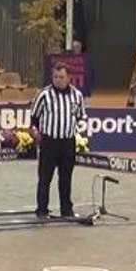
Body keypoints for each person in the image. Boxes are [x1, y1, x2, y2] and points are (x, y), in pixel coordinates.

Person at [31, 65, 86, 219]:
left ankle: (66, 209)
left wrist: (80, 132)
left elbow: (81, 116)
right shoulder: (44, 95)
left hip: (68, 142)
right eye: (55, 77)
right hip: (49, 142)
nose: (58, 80)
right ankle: (42, 210)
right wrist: (35, 131)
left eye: (61, 77)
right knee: (44, 178)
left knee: (66, 178)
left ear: (68, 78)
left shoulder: (77, 95)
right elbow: (34, 117)